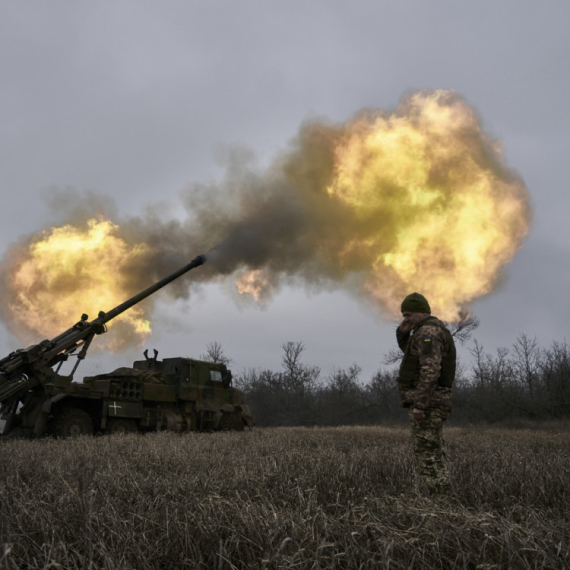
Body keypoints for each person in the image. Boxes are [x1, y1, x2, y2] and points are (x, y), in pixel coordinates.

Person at [396, 292, 456, 497]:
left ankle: (443, 504)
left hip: (429, 405)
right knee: (433, 453)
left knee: (428, 455)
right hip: (434, 402)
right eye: (403, 315)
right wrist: (403, 334)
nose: (405, 319)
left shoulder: (427, 332)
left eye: (408, 314)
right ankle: (444, 500)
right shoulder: (426, 331)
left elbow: (430, 370)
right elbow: (414, 356)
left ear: (422, 312)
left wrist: (420, 404)